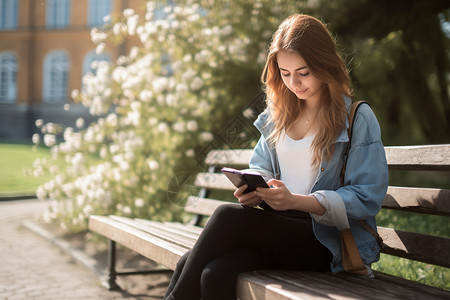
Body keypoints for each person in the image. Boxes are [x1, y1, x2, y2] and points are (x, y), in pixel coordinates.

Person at [163, 13, 388, 300]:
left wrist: (297, 201)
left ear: (324, 63)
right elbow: (261, 167)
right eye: (285, 73)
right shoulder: (278, 116)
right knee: (212, 273)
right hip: (280, 230)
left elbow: (367, 196)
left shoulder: (356, 118)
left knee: (227, 217)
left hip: (327, 242)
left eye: (303, 72)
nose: (294, 82)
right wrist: (257, 190)